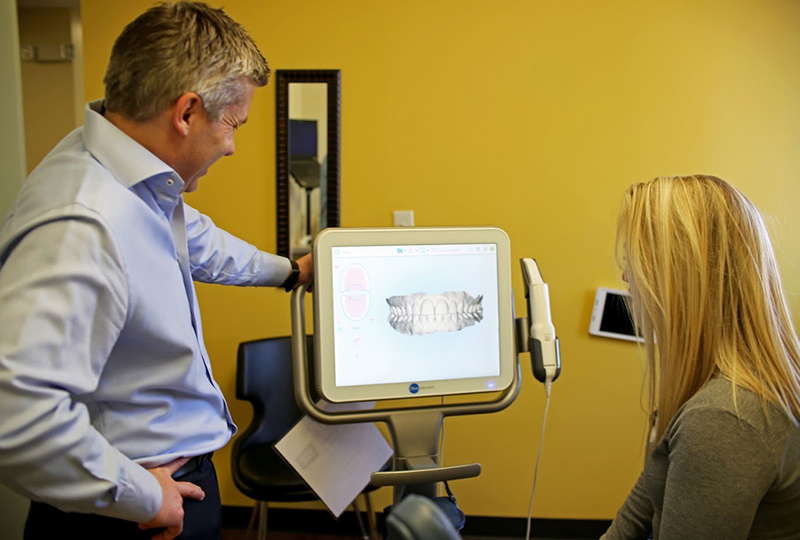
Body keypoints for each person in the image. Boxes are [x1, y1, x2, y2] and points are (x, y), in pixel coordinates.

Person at [0, 3, 312, 539]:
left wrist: (289, 272)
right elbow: (14, 414)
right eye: (232, 124)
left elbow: (200, 242)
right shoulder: (86, 220)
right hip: (131, 512)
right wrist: (143, 497)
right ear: (187, 112)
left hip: (167, 484)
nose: (233, 146)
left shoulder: (127, 172)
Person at [602, 175, 800, 539]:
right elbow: (647, 497)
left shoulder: (724, 418)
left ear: (678, 276)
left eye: (637, 262)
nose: (626, 275)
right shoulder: (731, 382)